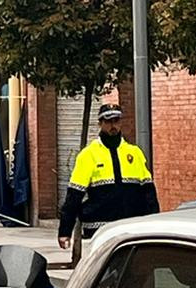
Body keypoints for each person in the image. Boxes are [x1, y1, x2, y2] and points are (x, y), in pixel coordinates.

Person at [57, 105, 158, 251]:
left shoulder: (134, 153)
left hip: (131, 226)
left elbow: (149, 192)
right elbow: (74, 195)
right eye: (108, 121)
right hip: (99, 227)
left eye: (116, 121)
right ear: (100, 123)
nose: (113, 125)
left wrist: (153, 222)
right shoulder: (88, 155)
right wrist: (65, 231)